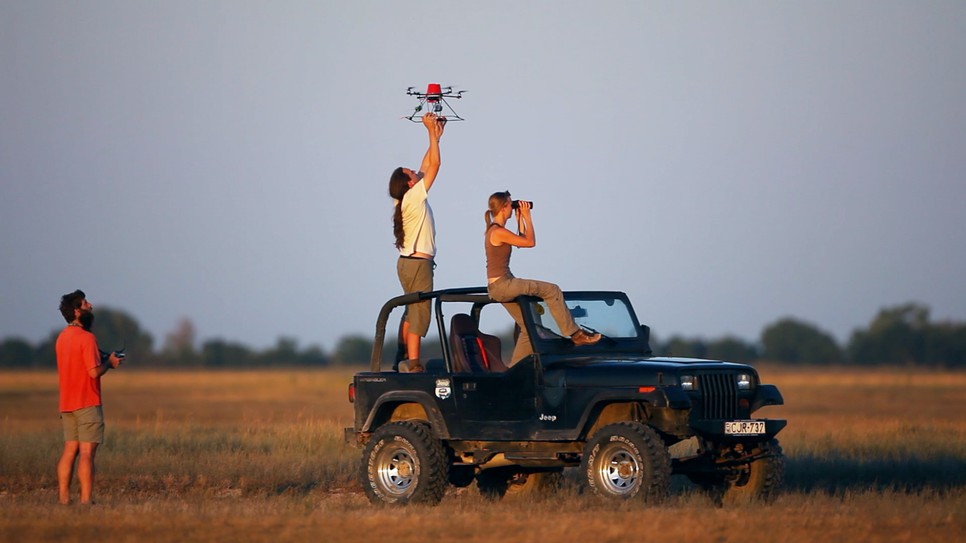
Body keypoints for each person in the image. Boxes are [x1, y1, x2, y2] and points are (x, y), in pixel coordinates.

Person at [484, 191, 601, 364]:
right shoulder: (497, 232)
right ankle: (576, 334)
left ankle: (514, 370)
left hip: (503, 283)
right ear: (503, 207)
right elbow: (530, 242)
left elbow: (522, 240)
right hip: (503, 284)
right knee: (551, 290)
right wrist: (527, 217)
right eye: (511, 204)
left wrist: (520, 218)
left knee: (529, 326)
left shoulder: (497, 230)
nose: (512, 207)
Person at [388, 112, 445, 373]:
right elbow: (434, 167)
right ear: (408, 183)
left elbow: (426, 164)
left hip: (407, 263)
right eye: (411, 173)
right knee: (421, 311)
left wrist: (436, 137)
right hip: (418, 265)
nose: (416, 172)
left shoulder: (404, 199)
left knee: (412, 310)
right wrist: (429, 132)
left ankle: (404, 355)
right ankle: (413, 363)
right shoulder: (413, 198)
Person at [55, 289, 124, 505]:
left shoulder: (62, 338)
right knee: (86, 453)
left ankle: (64, 499)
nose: (90, 305)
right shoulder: (87, 338)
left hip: (67, 403)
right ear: (77, 311)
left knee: (69, 451)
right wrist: (110, 363)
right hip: (87, 402)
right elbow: (94, 371)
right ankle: (86, 501)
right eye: (85, 303)